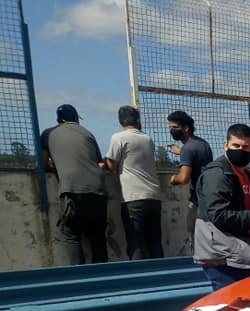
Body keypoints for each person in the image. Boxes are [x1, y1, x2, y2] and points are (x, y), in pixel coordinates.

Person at [194, 123, 250, 290]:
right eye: (235, 145)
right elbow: (218, 215)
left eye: (245, 147)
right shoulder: (217, 174)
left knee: (240, 296)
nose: (240, 150)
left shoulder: (245, 175)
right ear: (226, 145)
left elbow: (241, 213)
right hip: (220, 252)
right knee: (231, 298)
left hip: (235, 249)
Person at [40, 104, 108, 264]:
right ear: (76, 118)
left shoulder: (48, 134)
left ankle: (79, 275)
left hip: (71, 191)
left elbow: (43, 164)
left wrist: (56, 167)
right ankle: (103, 276)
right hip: (98, 192)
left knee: (71, 235)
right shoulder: (87, 133)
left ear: (59, 119)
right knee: (97, 237)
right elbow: (98, 162)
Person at [105, 105, 163, 259]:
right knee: (154, 241)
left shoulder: (118, 138)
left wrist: (103, 163)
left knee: (136, 243)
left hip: (133, 197)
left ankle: (139, 272)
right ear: (137, 120)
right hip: (154, 196)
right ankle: (160, 271)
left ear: (120, 121)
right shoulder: (147, 139)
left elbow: (111, 166)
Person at [167, 110, 213, 252]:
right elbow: (197, 159)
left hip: (198, 201)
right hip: (209, 198)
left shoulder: (187, 149)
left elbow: (184, 178)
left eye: (175, 127)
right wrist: (181, 152)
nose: (171, 130)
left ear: (186, 128)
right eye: (170, 127)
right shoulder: (202, 144)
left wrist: (173, 179)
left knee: (196, 240)